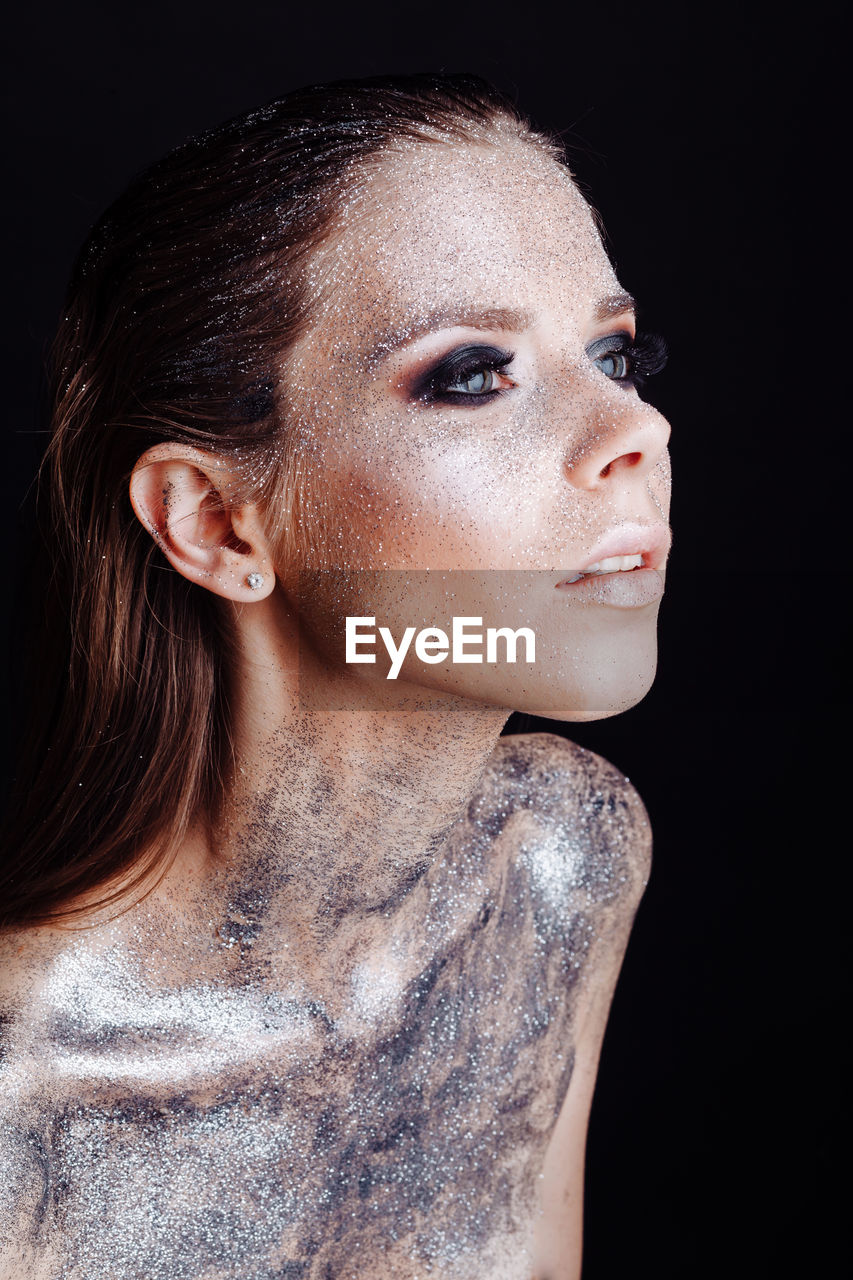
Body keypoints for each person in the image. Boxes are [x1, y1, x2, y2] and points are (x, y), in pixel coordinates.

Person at [0, 72, 671, 1280]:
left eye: (614, 354)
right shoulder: (26, 1086)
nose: (638, 430)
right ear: (216, 524)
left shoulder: (558, 859)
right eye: (472, 372)